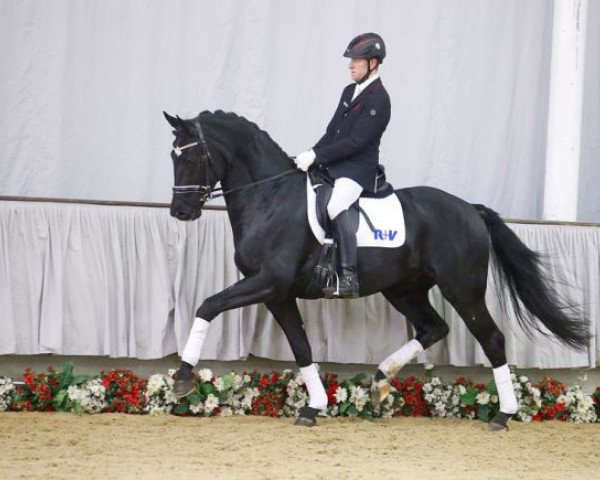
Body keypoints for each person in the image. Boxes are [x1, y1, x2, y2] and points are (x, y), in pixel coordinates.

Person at [295, 32, 391, 299]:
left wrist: (319, 156)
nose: (350, 65)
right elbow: (333, 132)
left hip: (357, 169)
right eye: (351, 61)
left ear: (373, 63)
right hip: (335, 164)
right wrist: (311, 153)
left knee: (336, 205)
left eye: (356, 61)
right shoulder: (349, 91)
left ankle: (348, 276)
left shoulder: (379, 99)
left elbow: (356, 142)